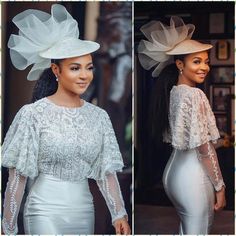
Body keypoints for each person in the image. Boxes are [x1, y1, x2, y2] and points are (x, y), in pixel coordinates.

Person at [2, 4, 131, 235]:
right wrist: (8, 227)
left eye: (88, 68)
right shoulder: (33, 114)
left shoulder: (99, 117)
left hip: (83, 210)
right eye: (75, 68)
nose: (84, 75)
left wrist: (118, 213)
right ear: (56, 70)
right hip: (43, 210)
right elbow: (17, 179)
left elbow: (106, 172)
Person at [138, 16, 226, 234]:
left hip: (173, 174)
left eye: (206, 61)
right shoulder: (194, 95)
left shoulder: (174, 93)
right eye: (196, 62)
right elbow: (204, 150)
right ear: (179, 64)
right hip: (192, 177)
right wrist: (220, 186)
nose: (204, 67)